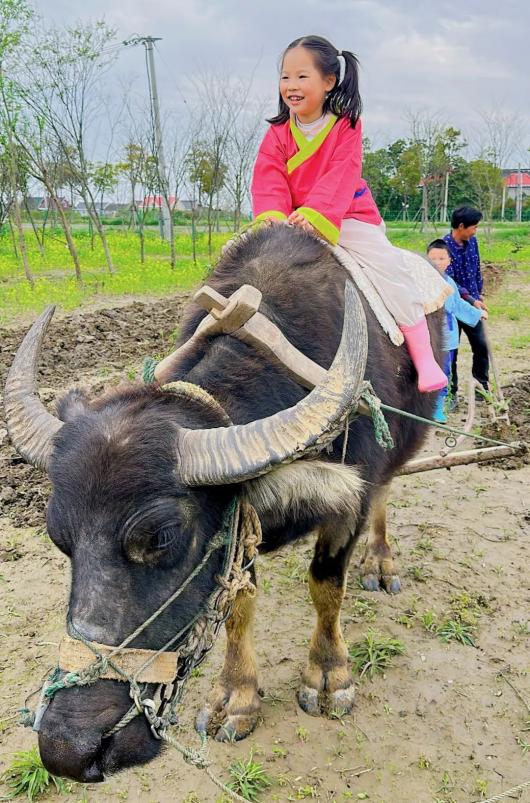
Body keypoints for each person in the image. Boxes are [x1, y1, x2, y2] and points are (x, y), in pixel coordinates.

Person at [251, 34, 448, 393]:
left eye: (301, 76)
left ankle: (423, 355)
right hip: (290, 222)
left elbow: (341, 176)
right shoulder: (277, 133)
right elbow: (269, 178)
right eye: (285, 77)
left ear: (329, 82)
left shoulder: (345, 125)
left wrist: (316, 216)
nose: (291, 86)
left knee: (390, 270)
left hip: (345, 217)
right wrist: (272, 220)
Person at [426, 239, 488, 423]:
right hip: (427, 336)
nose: (437, 262)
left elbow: (458, 305)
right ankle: (421, 406)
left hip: (447, 337)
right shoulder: (420, 281)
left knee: (444, 371)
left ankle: (438, 407)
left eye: (441, 258)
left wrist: (477, 313)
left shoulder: (450, 283)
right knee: (424, 370)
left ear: (448, 261)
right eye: (432, 258)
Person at [443, 206, 489, 400]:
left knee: (481, 344)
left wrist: (479, 295)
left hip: (473, 304)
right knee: (451, 351)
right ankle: (451, 394)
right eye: (474, 227)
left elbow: (476, 270)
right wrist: (471, 300)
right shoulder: (442, 248)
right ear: (461, 226)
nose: (475, 231)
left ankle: (481, 385)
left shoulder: (473, 242)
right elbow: (450, 280)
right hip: (453, 307)